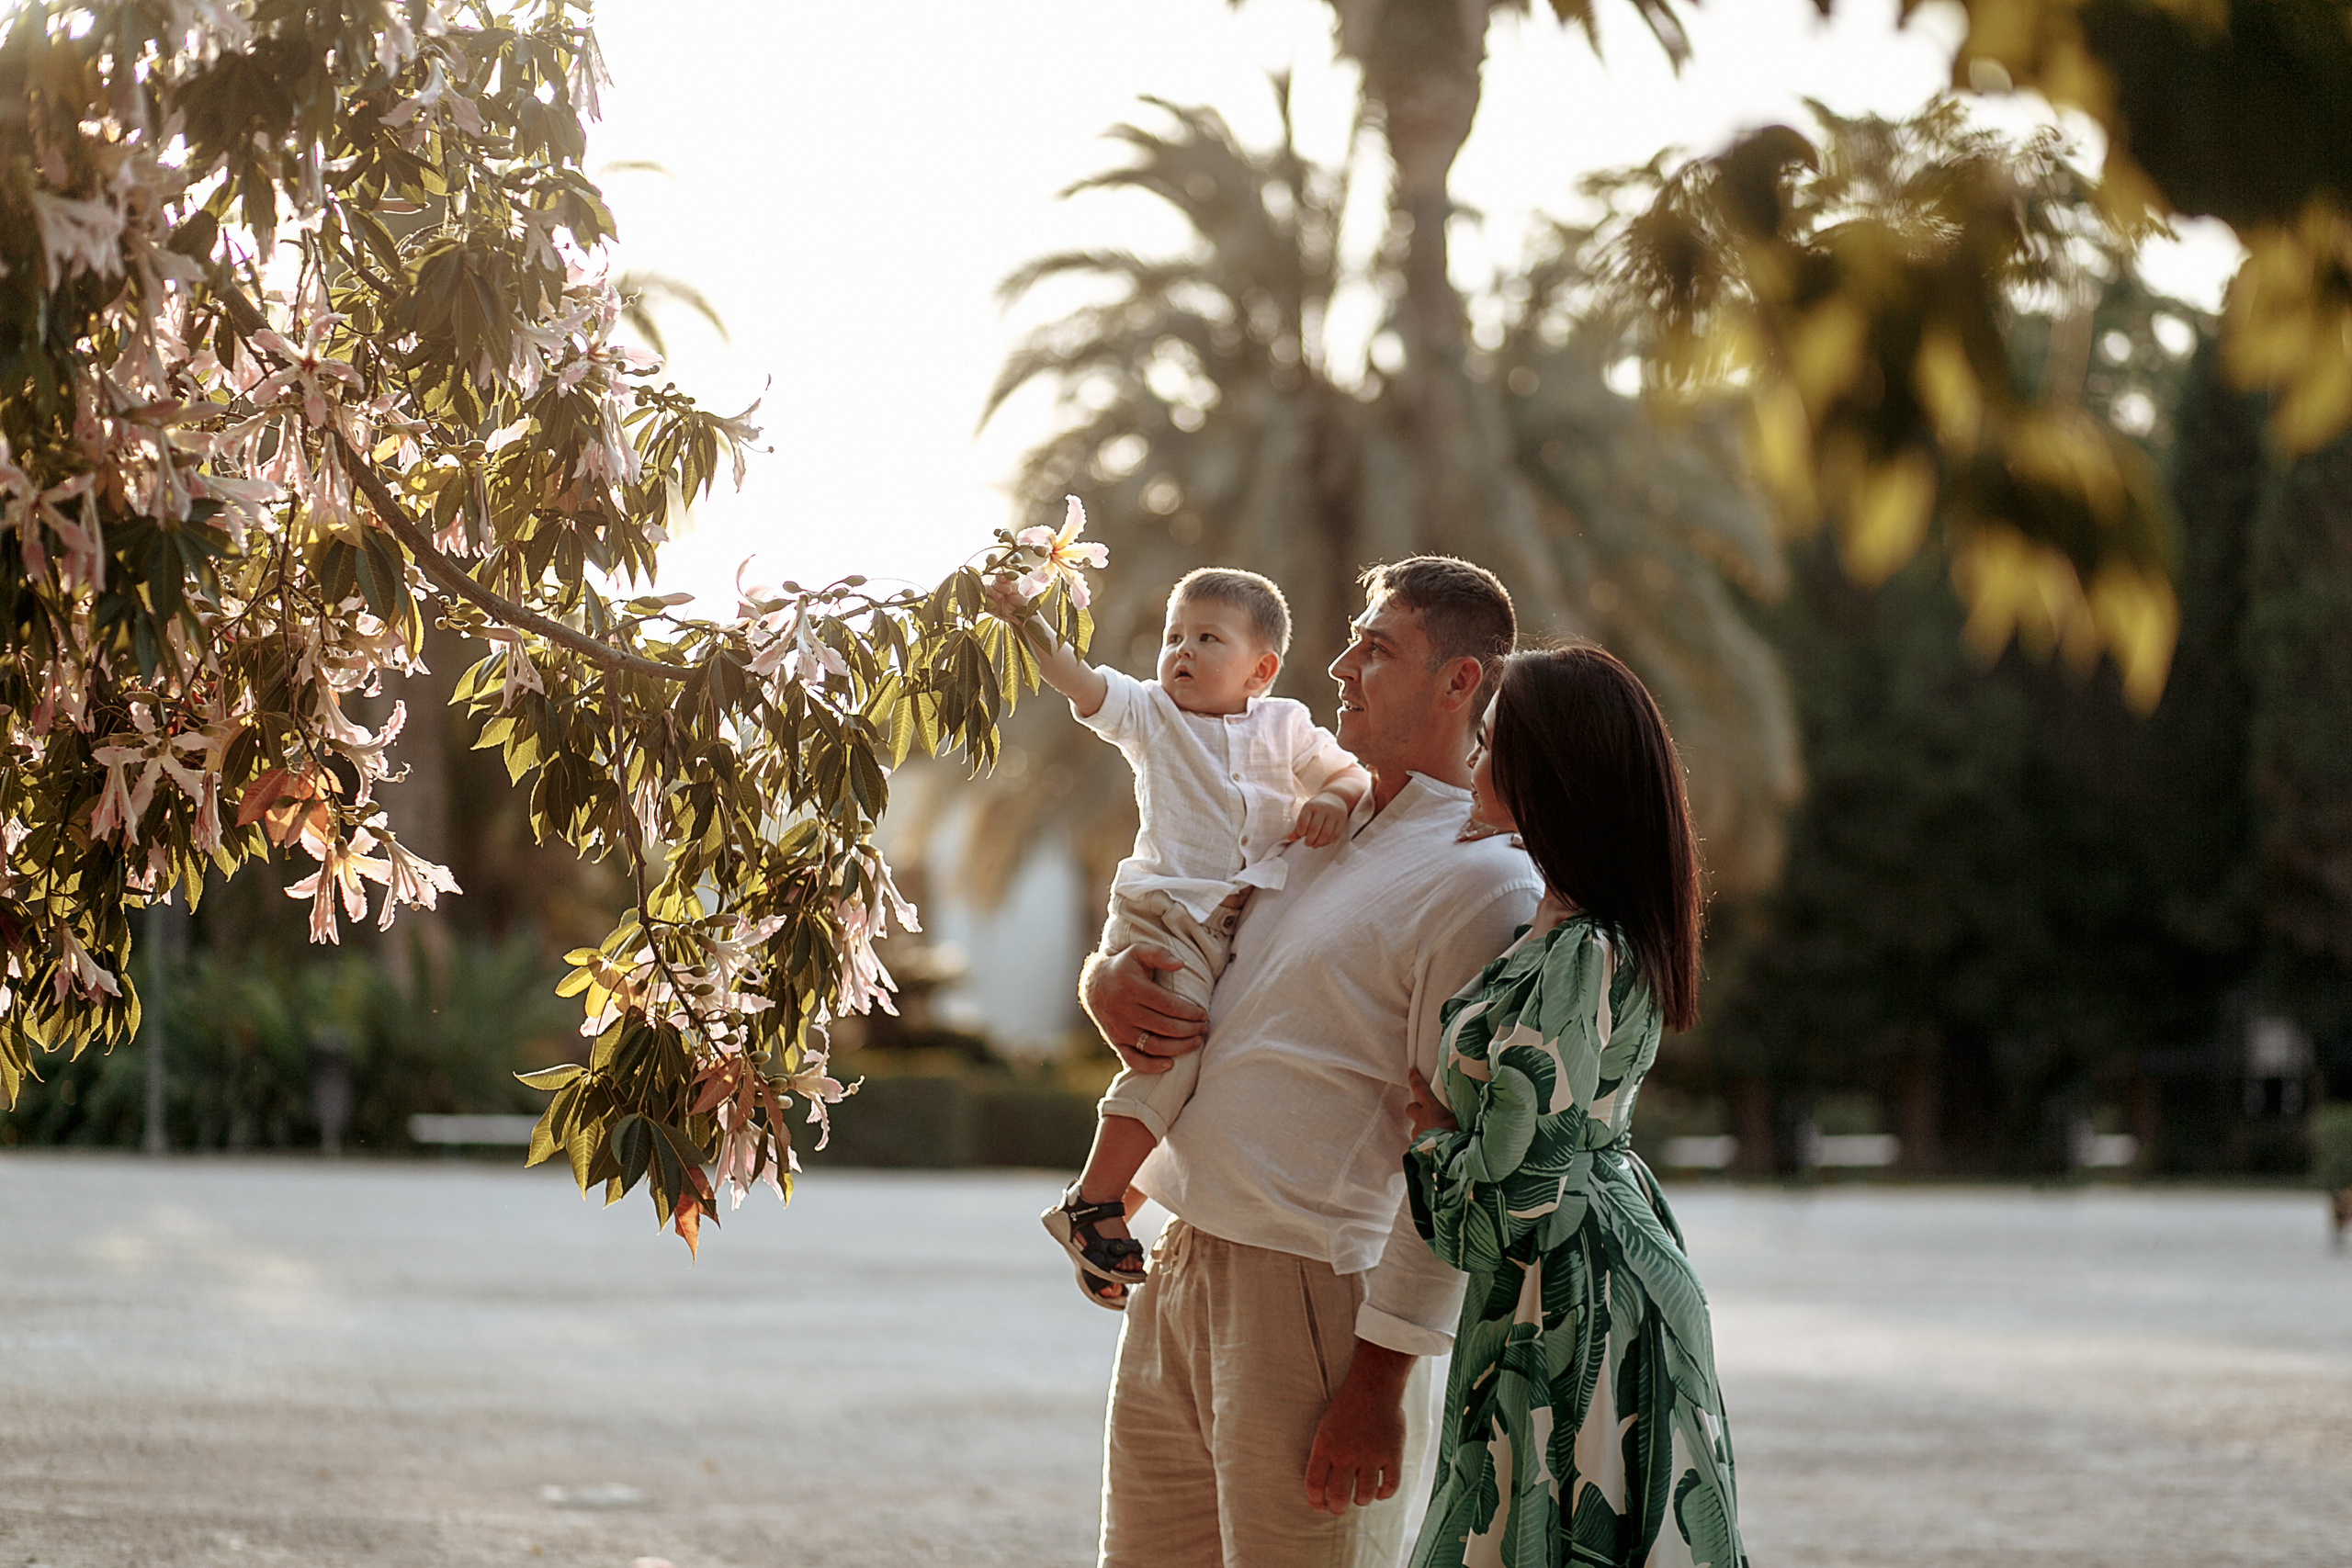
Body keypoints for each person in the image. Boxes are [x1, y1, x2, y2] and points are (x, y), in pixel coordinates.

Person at [1081, 557, 1544, 1568]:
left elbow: (1456, 1158)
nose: (1337, 668)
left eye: (1375, 650)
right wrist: (1106, 976)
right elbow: (1191, 946)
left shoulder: (1483, 884)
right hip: (1181, 1265)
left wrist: (1379, 1383)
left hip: (1316, 1303)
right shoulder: (1312, 826)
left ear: (1460, 682)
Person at [1399, 645, 1747, 1568]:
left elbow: (1513, 1192)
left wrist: (1433, 1141)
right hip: (1584, 1265)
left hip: (1566, 1292)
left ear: (1545, 772)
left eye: (1492, 742)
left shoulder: (1578, 953)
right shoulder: (1570, 934)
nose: (1474, 757)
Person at [989, 560, 1372, 1307]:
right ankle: (1093, 1202)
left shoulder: (1286, 723)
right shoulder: (1151, 714)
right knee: (1172, 1053)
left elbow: (1350, 775)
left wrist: (1330, 796)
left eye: (1207, 637)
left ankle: (1107, 1232)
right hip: (1164, 916)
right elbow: (1079, 679)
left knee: (1198, 1066)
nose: (1181, 652)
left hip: (1228, 923)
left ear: (1261, 668)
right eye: (1173, 636)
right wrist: (1027, 618)